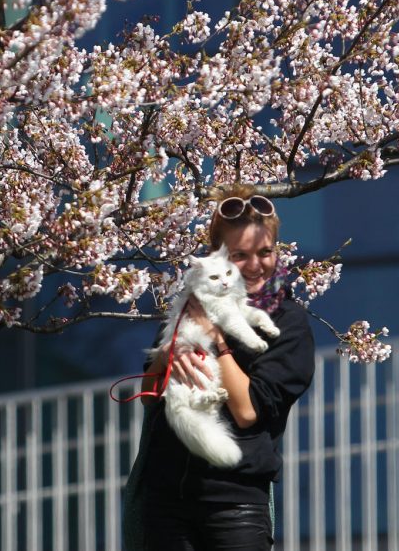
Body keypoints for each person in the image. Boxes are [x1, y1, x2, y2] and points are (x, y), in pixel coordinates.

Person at [124, 184, 315, 551]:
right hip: (164, 502)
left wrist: (217, 339)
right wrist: (166, 356)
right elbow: (149, 396)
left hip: (235, 507)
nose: (257, 265)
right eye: (240, 255)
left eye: (265, 252)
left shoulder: (288, 324)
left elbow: (247, 412)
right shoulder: (188, 304)